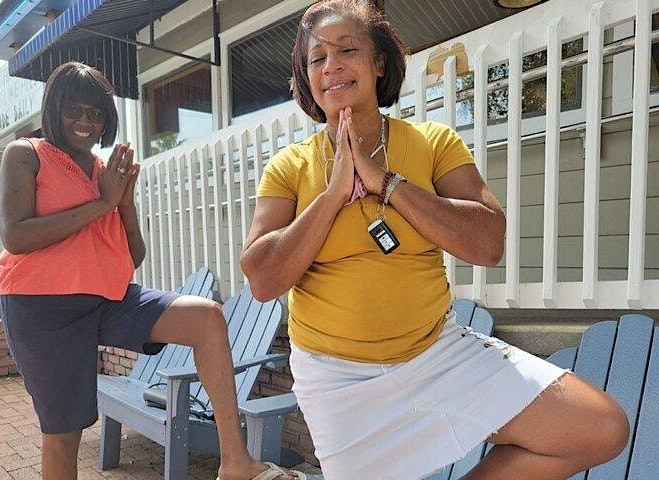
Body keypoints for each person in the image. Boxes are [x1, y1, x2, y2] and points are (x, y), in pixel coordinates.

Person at [240, 2, 629, 479]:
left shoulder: (432, 142)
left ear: (378, 62)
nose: (332, 66)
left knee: (598, 427)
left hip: (438, 356)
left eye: (347, 50)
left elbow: (487, 243)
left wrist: (387, 183)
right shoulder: (289, 166)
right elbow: (262, 280)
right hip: (338, 381)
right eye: (317, 58)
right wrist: (333, 194)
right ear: (307, 77)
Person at [0, 62, 303, 480]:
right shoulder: (26, 154)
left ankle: (236, 462)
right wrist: (102, 204)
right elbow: (15, 235)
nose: (85, 121)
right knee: (65, 434)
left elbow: (132, 256)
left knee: (206, 317)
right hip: (42, 308)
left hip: (105, 299)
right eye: (73, 109)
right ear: (53, 109)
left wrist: (123, 202)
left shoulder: (106, 172)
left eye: (96, 112)